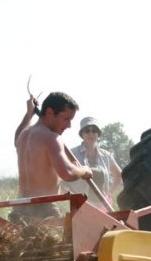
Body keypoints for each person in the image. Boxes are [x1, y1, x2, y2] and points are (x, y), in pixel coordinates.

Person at [12, 92, 93, 222]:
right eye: (66, 119)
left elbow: (17, 136)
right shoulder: (51, 138)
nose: (69, 125)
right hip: (43, 211)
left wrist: (28, 115)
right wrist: (84, 170)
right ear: (49, 112)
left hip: (19, 209)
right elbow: (67, 173)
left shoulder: (23, 136)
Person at [66, 117, 123, 207]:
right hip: (80, 206)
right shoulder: (72, 154)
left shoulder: (106, 155)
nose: (91, 134)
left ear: (98, 134)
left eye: (94, 131)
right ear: (82, 134)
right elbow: (62, 180)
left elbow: (119, 176)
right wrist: (73, 196)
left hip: (103, 205)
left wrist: (109, 194)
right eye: (87, 131)